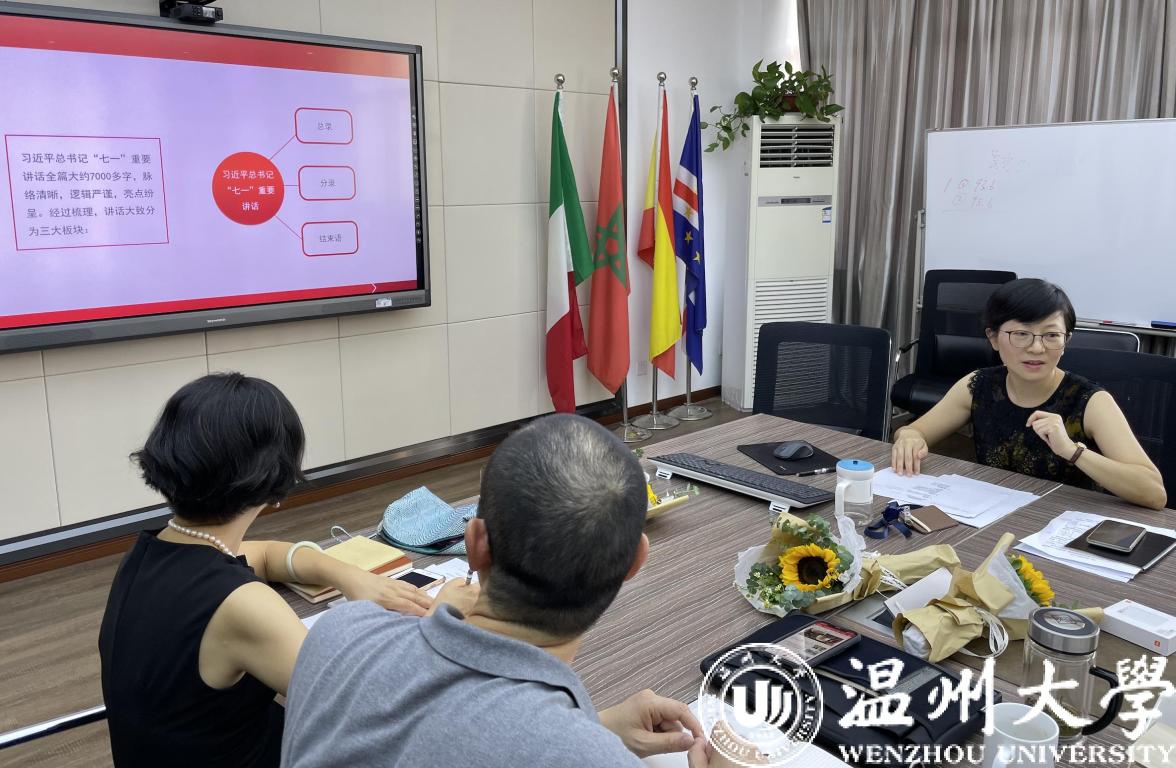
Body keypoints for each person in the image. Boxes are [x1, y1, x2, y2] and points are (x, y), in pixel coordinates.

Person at [281, 414, 713, 767]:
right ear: (636, 562)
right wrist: (586, 741)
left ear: (474, 543)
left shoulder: (338, 632)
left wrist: (590, 730)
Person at [98, 373, 433, 767]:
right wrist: (446, 619)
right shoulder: (243, 604)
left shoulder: (149, 553)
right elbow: (365, 703)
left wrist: (350, 576)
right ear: (275, 475)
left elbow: (268, 554)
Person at [891, 278, 1166, 509]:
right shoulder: (978, 385)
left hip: (1060, 525)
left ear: (1066, 341)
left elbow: (1154, 493)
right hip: (991, 516)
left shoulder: (1090, 401)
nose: (1036, 348)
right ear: (993, 338)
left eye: (1051, 335)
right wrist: (909, 438)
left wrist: (1071, 451)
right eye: (1021, 334)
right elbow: (913, 431)